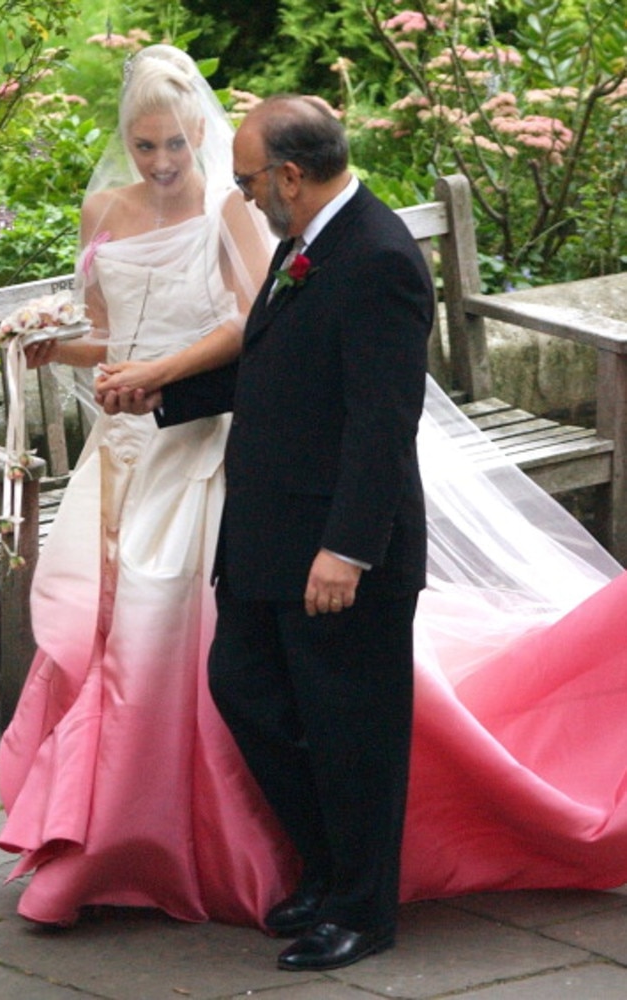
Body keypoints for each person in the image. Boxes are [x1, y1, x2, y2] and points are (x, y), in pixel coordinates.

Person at [97, 93, 627, 973]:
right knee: (248, 693)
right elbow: (276, 364)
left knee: (353, 734)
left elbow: (383, 423)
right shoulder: (307, 244)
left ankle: (361, 910)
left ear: (292, 177)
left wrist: (345, 552)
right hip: (268, 535)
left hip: (340, 549)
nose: (246, 194)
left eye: (250, 179)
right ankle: (329, 868)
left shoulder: (378, 257)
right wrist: (166, 395)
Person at [0, 45, 297, 927]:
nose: (162, 164)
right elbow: (106, 331)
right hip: (119, 445)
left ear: (199, 131)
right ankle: (84, 830)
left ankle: (167, 834)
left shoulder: (228, 210)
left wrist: (159, 372)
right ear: (124, 138)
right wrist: (50, 344)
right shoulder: (102, 208)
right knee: (92, 631)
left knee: (163, 636)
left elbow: (253, 324)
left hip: (199, 439)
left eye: (174, 144)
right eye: (144, 146)